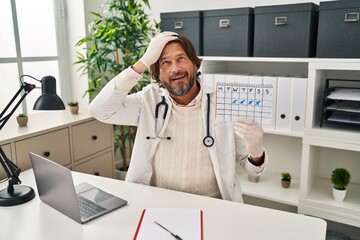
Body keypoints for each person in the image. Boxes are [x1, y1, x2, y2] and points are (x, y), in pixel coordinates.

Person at [89, 31, 268, 203]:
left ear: (195, 64)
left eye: (181, 59)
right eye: (165, 63)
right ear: (157, 73)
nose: (175, 69)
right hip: (158, 202)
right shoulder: (149, 100)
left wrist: (256, 151)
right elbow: (100, 110)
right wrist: (142, 62)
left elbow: (252, 169)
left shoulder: (225, 101)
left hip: (213, 204)